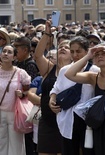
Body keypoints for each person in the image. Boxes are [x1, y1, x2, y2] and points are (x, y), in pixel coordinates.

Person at [49, 36, 99, 155]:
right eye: (72, 51)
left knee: (88, 150)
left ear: (87, 51)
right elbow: (56, 88)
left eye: (78, 51)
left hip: (87, 118)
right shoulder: (64, 70)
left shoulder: (95, 70)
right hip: (67, 117)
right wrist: (51, 100)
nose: (75, 55)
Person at [34, 20, 72, 155]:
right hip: (48, 122)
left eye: (67, 47)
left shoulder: (78, 71)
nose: (63, 48)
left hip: (68, 122)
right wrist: (47, 33)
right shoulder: (50, 68)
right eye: (61, 46)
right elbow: (37, 55)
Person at [0, 45, 31, 155]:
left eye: (9, 52)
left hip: (16, 113)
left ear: (14, 57)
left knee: (16, 143)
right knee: (1, 142)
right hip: (0, 113)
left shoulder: (20, 73)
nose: (5, 54)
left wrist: (23, 94)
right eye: (4, 51)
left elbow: (29, 91)